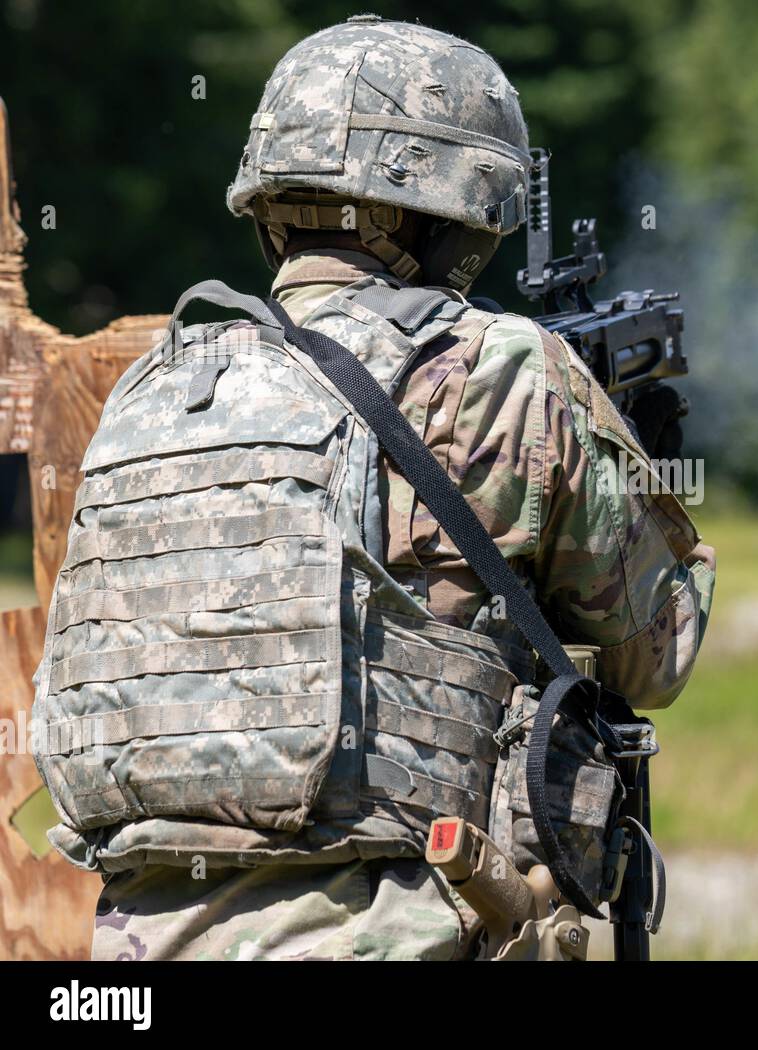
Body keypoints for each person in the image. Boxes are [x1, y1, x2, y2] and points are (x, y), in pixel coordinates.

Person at [33, 15, 714, 961]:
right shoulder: (506, 370)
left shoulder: (162, 386)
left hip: (135, 951)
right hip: (402, 930)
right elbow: (658, 654)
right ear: (440, 220)